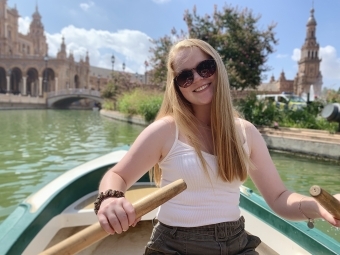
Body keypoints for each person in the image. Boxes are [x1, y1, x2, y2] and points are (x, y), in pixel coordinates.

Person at [96, 38, 340, 254]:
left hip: (236, 243)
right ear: (177, 86)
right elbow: (117, 175)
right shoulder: (166, 130)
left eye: (205, 67)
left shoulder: (246, 132)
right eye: (185, 76)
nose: (199, 78)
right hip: (174, 245)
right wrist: (110, 199)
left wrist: (319, 207)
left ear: (217, 68)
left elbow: (278, 197)